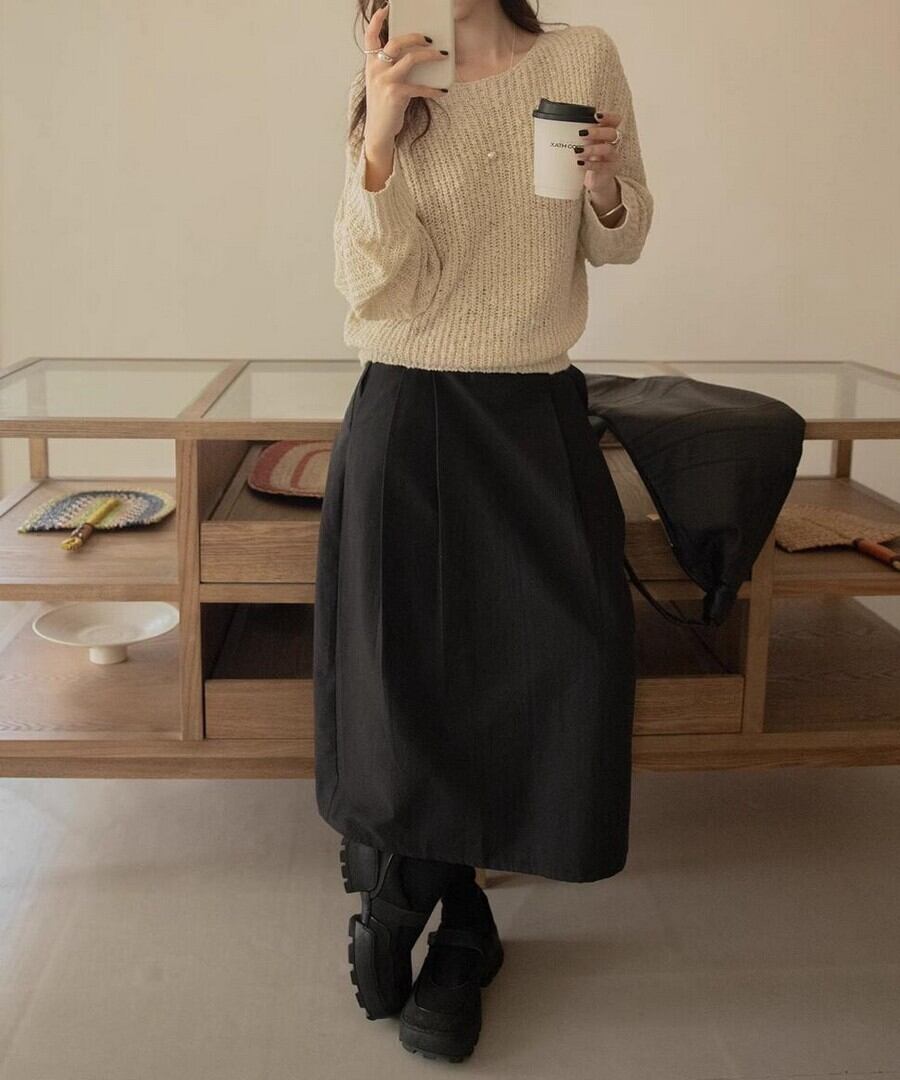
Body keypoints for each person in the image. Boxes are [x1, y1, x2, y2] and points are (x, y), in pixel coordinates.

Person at [314, 0, 654, 1062]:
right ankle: (460, 929)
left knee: (564, 661)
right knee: (409, 675)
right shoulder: (394, 71)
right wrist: (378, 136)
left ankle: (400, 894)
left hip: (532, 407)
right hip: (406, 406)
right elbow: (364, 282)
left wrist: (605, 185)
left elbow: (625, 237)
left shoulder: (583, 56)